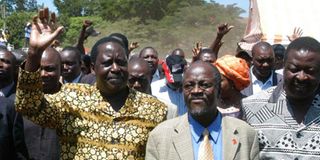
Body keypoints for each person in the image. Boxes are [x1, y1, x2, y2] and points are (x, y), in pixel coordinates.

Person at [15, 8, 167, 159]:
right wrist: (34, 54)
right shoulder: (71, 98)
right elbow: (28, 107)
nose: (115, 68)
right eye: (107, 63)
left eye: (121, 62)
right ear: (93, 68)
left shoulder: (154, 109)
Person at [146, 61, 259, 160]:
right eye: (189, 85)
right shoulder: (160, 136)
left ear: (219, 91)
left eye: (204, 85)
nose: (196, 91)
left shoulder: (245, 134)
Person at [242, 37, 320, 159]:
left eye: (310, 71)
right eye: (294, 69)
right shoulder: (250, 107)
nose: (301, 77)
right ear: (283, 66)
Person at [23, 47, 61, 160]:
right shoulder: (18, 104)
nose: (43, 74)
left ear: (61, 70)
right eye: (38, 69)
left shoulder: (73, 104)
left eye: (49, 69)